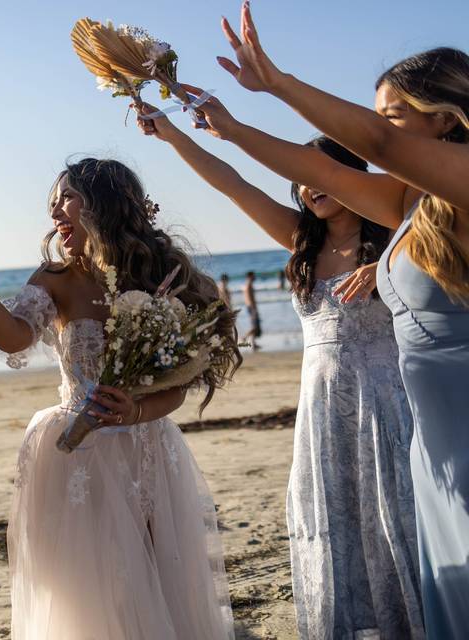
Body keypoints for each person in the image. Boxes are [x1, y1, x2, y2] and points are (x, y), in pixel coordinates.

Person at [216, 4, 469, 635]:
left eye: (391, 114)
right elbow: (319, 171)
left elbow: (372, 147)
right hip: (431, 438)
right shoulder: (415, 199)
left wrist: (278, 82)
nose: (371, 133)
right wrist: (228, 127)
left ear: (445, 118)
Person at [137, 98, 421, 636]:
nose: (310, 187)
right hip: (320, 413)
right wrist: (174, 135)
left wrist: (385, 270)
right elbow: (232, 185)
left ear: (349, 175)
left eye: (320, 175)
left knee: (394, 518)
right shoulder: (301, 244)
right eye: (301, 179)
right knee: (331, 521)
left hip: (384, 401)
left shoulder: (396, 237)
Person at [0, 157, 240, 639]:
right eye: (53, 204)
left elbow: (178, 386)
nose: (56, 213)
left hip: (148, 449)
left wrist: (136, 410)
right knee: (91, 588)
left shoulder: (159, 276)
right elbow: (13, 337)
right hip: (77, 454)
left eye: (67, 199)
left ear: (103, 205)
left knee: (156, 582)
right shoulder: (55, 279)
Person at [242, 270, 261, 349]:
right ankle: (245, 337)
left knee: (254, 325)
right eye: (253, 276)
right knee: (255, 326)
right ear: (250, 276)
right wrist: (254, 308)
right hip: (251, 307)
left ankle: (253, 344)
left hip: (249, 307)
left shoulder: (246, 285)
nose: (255, 277)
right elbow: (250, 298)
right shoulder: (249, 285)